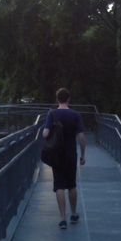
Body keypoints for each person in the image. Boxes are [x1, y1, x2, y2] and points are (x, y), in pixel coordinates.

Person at [43, 88, 86, 229]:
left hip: (57, 154)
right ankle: (73, 214)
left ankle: (63, 219)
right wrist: (82, 155)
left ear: (57, 100)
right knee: (72, 185)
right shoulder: (75, 115)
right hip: (70, 154)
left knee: (59, 185)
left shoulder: (52, 114)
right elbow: (81, 137)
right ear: (69, 99)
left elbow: (45, 134)